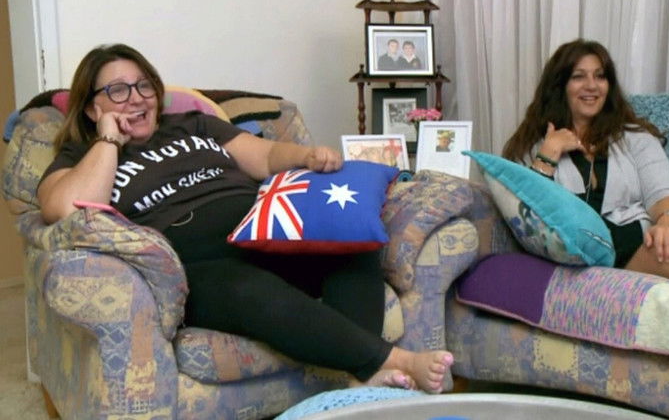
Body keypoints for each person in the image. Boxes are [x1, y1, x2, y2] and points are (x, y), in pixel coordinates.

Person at [37, 43, 453, 392]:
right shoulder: (81, 156)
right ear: (92, 108)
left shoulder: (193, 125)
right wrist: (109, 139)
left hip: (263, 233)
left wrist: (306, 156)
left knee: (351, 241)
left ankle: (355, 375)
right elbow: (69, 207)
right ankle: (389, 361)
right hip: (198, 266)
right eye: (118, 90)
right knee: (247, 288)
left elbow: (266, 156)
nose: (136, 97)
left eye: (144, 85)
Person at [502, 38, 669, 284]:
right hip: (616, 246)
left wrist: (668, 222)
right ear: (560, 85)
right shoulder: (534, 146)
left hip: (654, 229)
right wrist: (549, 154)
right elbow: (531, 219)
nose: (592, 86)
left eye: (600, 76)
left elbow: (661, 192)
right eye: (579, 77)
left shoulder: (634, 137)